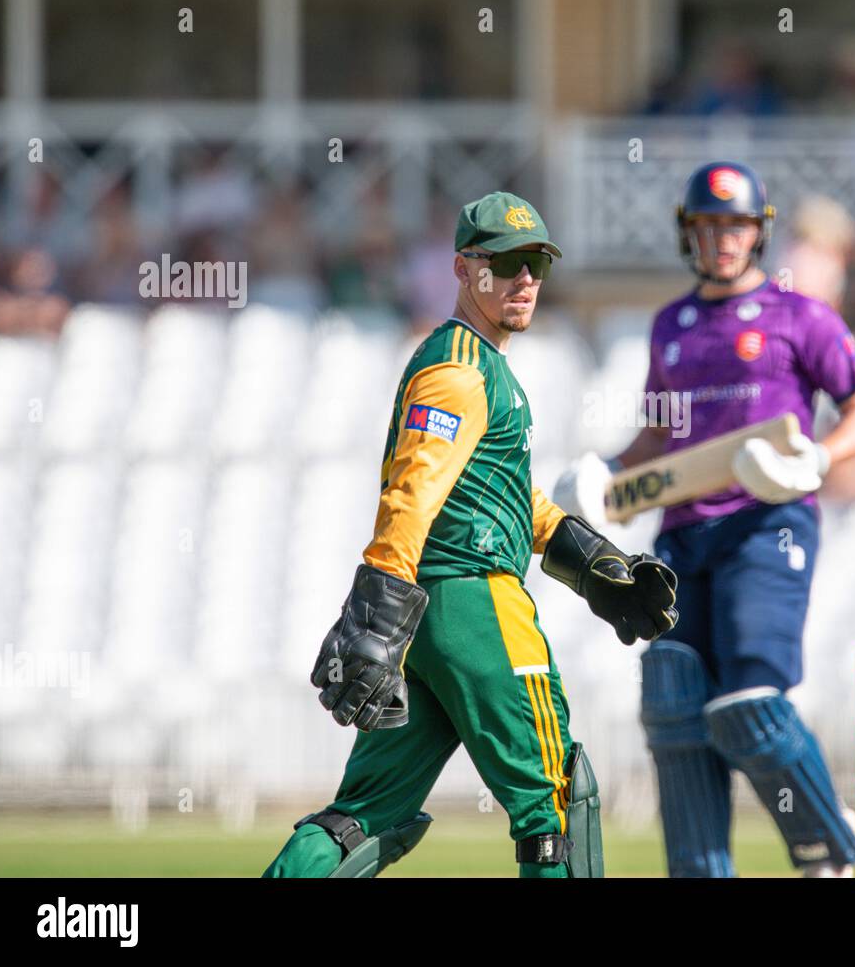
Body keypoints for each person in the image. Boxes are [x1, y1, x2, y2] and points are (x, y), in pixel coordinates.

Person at [263, 192, 678, 879]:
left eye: (537, 264)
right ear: (463, 267)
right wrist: (376, 608)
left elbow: (508, 497)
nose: (525, 281)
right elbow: (413, 489)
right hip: (476, 607)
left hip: (429, 626)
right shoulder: (459, 371)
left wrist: (594, 565)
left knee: (365, 814)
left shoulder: (478, 363)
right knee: (557, 804)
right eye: (508, 263)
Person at [555, 162, 855, 877]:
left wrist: (820, 462)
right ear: (689, 235)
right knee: (673, 703)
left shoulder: (801, 315)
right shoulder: (670, 325)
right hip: (681, 532)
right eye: (707, 226)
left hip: (766, 525)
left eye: (734, 225)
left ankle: (828, 846)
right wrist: (606, 473)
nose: (721, 240)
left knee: (748, 704)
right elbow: (657, 439)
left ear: (758, 233)